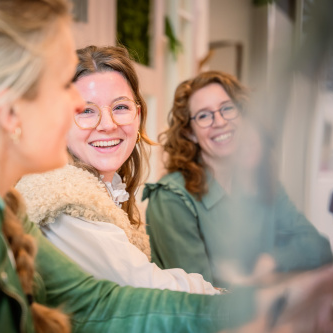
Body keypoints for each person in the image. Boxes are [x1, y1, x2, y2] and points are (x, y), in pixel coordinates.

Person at [0, 1, 333, 332]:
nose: (84, 115)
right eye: (66, 88)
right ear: (9, 111)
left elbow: (101, 303)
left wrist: (264, 310)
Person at [16, 45, 218, 294]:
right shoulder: (61, 200)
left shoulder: (104, 192)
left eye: (121, 107)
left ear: (138, 115)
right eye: (86, 111)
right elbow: (149, 291)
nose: (108, 125)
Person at [143, 70, 333, 288]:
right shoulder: (171, 198)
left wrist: (272, 261)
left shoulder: (260, 182)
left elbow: (319, 247)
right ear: (190, 133)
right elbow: (199, 299)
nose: (220, 121)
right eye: (204, 115)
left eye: (227, 109)